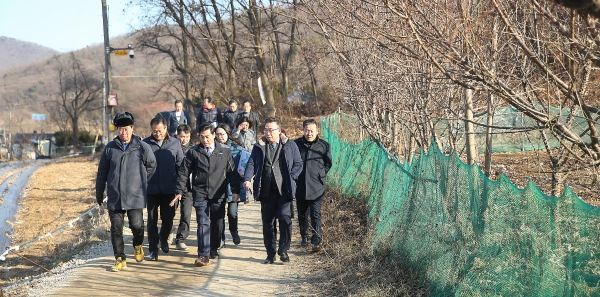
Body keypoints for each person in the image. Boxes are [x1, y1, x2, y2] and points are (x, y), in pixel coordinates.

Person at [96, 112, 156, 272]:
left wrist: (141, 181)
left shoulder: (141, 146)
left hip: (135, 195)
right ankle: (120, 258)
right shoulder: (110, 148)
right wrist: (99, 192)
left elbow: (152, 165)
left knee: (137, 226)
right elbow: (102, 172)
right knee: (116, 228)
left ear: (132, 128)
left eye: (126, 129)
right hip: (115, 196)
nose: (124, 132)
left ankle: (137, 245)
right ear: (117, 130)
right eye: (121, 129)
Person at [174, 124, 240, 267]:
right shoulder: (194, 152)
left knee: (217, 223)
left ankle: (214, 247)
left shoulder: (224, 151)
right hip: (200, 192)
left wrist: (236, 191)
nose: (205, 140)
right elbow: (183, 172)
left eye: (207, 137)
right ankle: (203, 254)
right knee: (202, 223)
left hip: (218, 193)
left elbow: (232, 173)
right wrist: (179, 191)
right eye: (202, 137)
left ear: (214, 135)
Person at [243, 117, 303, 264]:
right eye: (266, 130)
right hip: (266, 191)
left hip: (284, 190)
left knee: (285, 219)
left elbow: (298, 163)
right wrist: (247, 179)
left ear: (279, 130)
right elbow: (251, 164)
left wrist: (292, 177)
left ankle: (283, 250)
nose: (268, 133)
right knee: (268, 224)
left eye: (271, 130)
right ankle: (270, 253)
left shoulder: (290, 145)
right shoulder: (259, 146)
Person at [143, 117, 184, 261]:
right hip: (151, 189)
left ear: (166, 128)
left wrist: (180, 188)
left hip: (169, 189)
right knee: (152, 221)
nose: (157, 134)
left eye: (160, 131)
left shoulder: (174, 143)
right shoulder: (145, 144)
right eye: (154, 131)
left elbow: (181, 166)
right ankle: (153, 250)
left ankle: (164, 238)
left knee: (168, 219)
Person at [294, 119, 332, 252]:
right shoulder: (295, 144)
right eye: (306, 130)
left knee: (316, 214)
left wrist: (320, 175)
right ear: (303, 130)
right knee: (302, 214)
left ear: (317, 131)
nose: (309, 133)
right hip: (300, 186)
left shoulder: (324, 145)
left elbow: (328, 163)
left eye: (311, 131)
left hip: (317, 187)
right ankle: (304, 237)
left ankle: (316, 241)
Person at [216, 123, 247, 247]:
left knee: (232, 213)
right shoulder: (212, 148)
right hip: (217, 186)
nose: (219, 137)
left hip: (233, 186)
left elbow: (246, 163)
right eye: (217, 134)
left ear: (228, 134)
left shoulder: (237, 149)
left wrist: (243, 173)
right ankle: (220, 237)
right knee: (218, 214)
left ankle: (234, 231)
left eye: (222, 134)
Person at [174, 124, 194, 251]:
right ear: (177, 136)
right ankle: (165, 235)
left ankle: (181, 238)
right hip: (174, 186)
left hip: (189, 187)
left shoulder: (194, 149)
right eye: (181, 136)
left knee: (186, 214)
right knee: (169, 214)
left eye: (186, 137)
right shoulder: (172, 148)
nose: (184, 139)